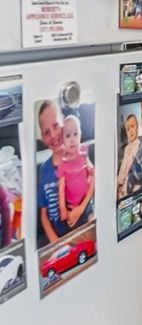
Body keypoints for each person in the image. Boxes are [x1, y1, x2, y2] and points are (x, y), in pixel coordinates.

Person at [36, 100, 67, 247]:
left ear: (64, 122)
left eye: (56, 126)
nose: (53, 135)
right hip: (57, 237)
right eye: (46, 132)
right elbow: (43, 215)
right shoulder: (44, 171)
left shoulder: (79, 156)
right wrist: (56, 242)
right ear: (42, 137)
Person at [57, 115, 94, 230]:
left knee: (91, 221)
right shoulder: (63, 164)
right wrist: (62, 208)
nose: (72, 139)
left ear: (80, 135)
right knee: (75, 227)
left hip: (86, 201)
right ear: (63, 141)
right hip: (72, 205)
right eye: (68, 136)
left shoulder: (83, 152)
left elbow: (90, 167)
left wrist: (91, 167)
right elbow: (61, 188)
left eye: (75, 134)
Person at [117, 111, 140, 199]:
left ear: (137, 127)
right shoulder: (127, 148)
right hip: (123, 180)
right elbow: (123, 166)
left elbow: (131, 164)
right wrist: (119, 182)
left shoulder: (138, 144)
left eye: (132, 127)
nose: (130, 131)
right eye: (128, 129)